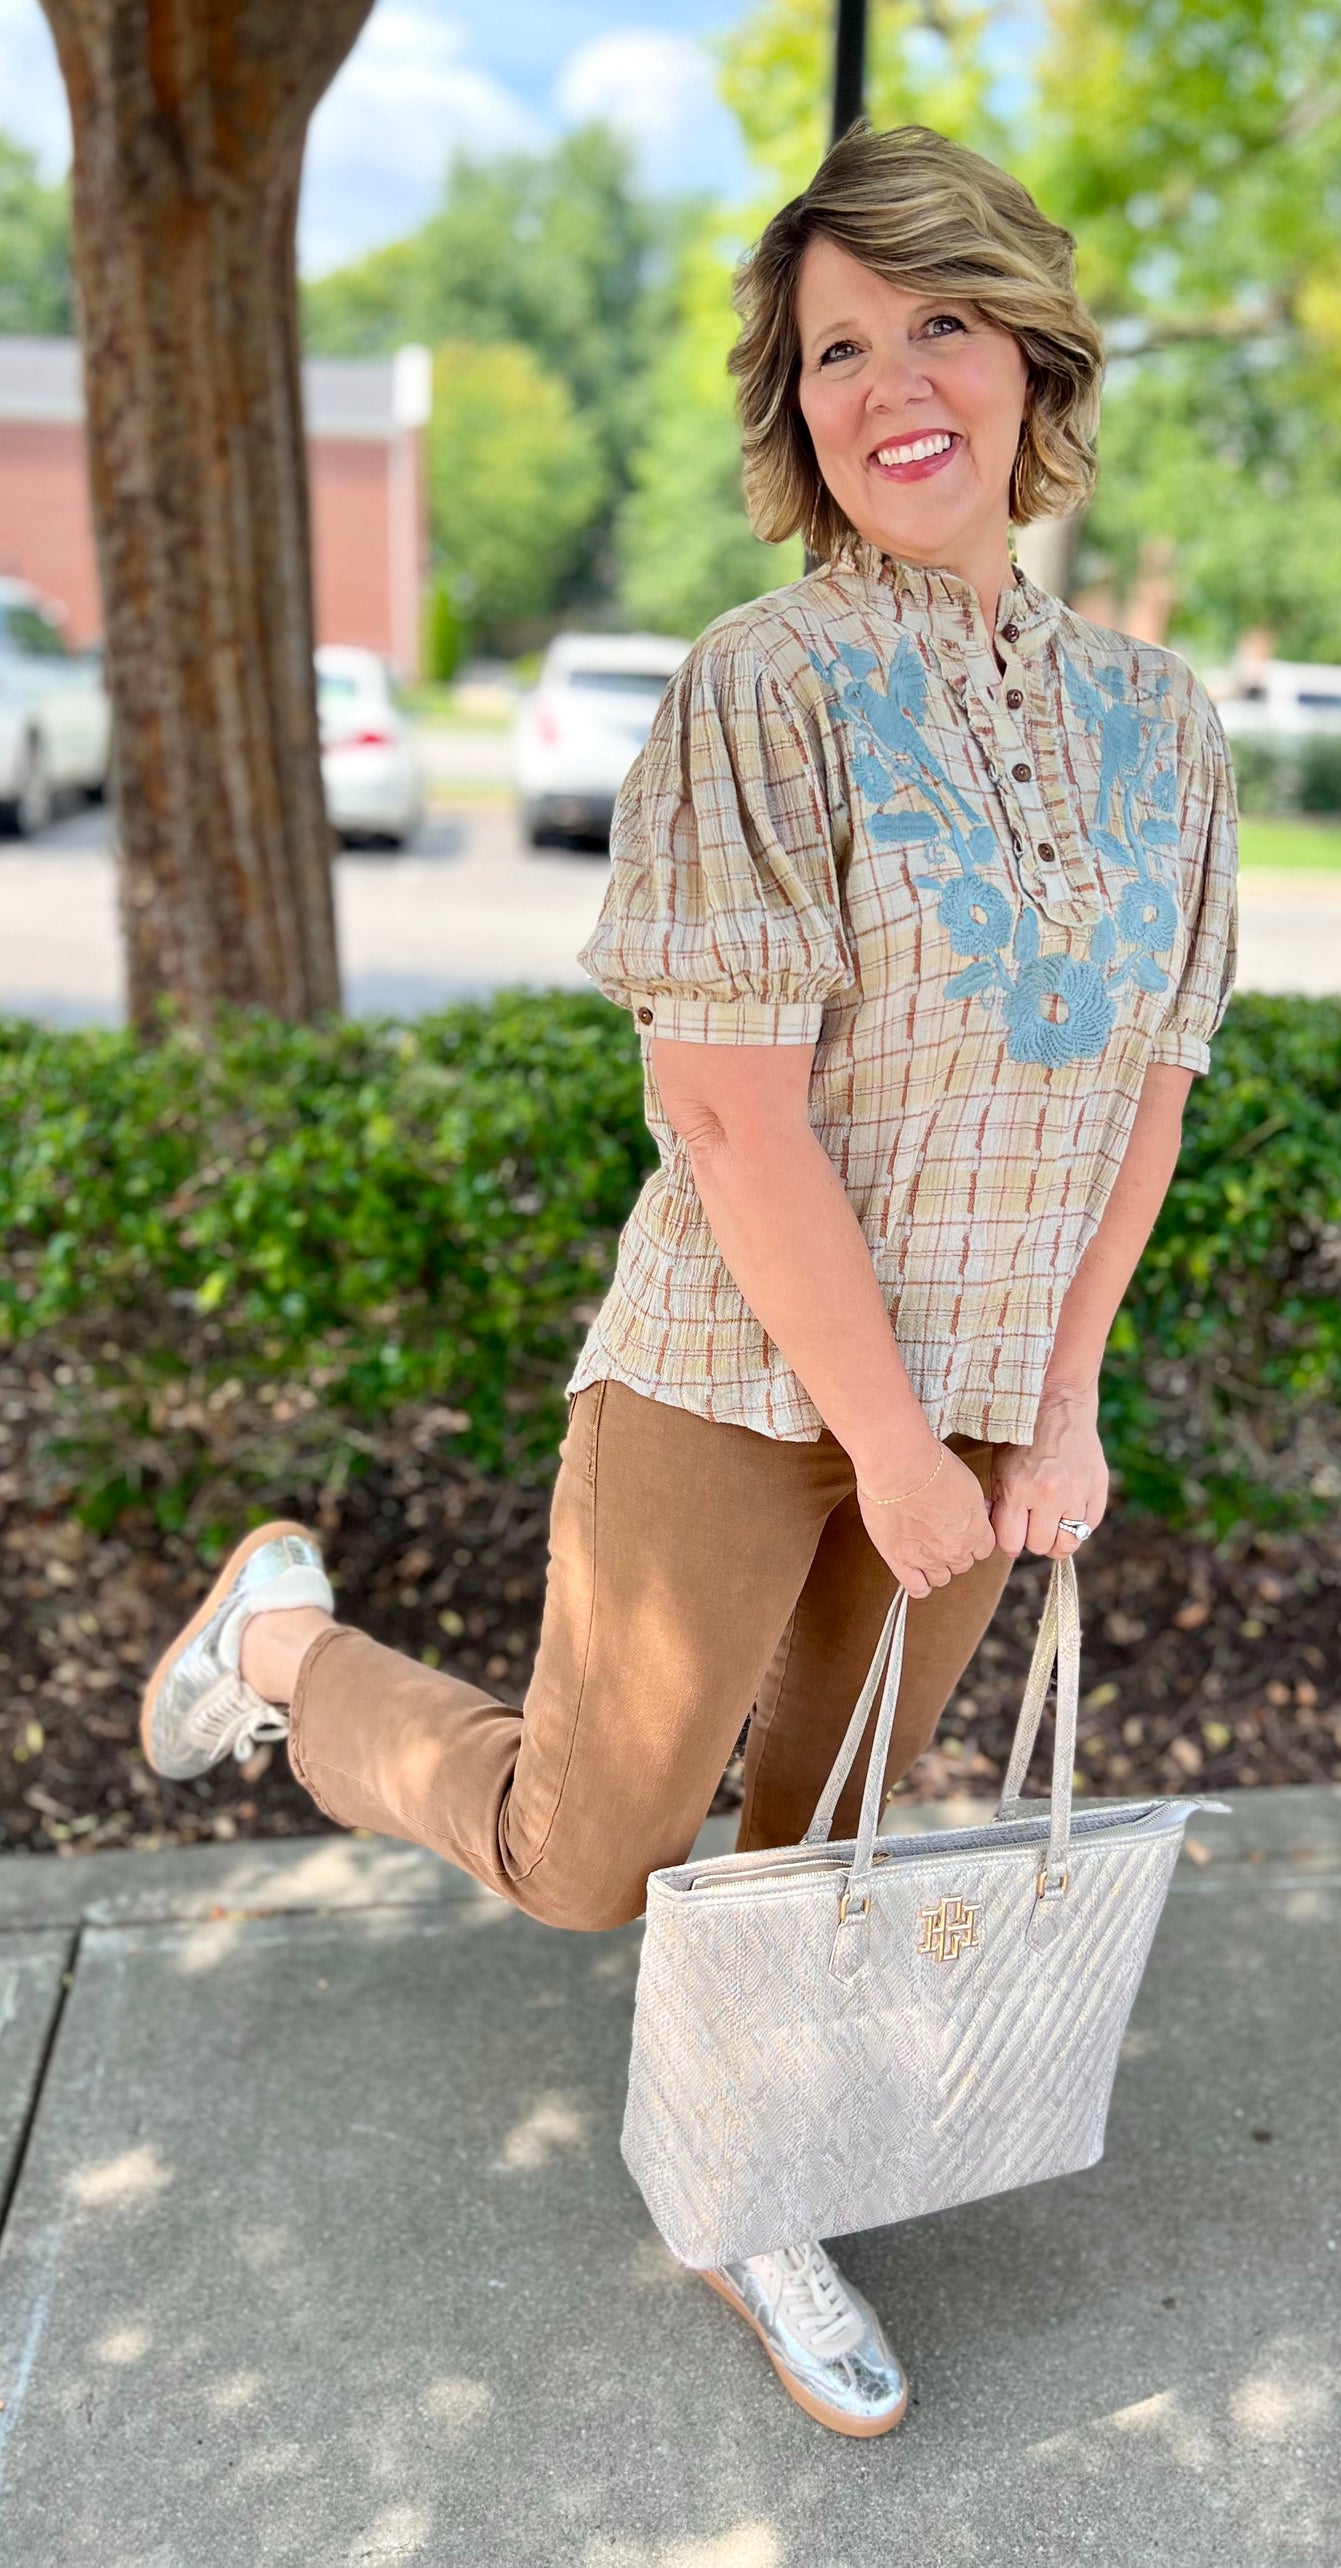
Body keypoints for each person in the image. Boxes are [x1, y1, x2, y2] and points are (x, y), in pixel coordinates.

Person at [139, 122, 1237, 2440]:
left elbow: (1148, 1092)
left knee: (817, 1850)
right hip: (738, 1373)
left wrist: (1057, 1407)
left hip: (964, 1409)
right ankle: (281, 1642)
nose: (892, 380)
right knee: (585, 1859)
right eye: (838, 346)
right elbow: (731, 1115)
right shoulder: (760, 688)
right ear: (798, 409)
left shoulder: (1171, 730)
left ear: (1031, 351)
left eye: (938, 318)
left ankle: (757, 2195)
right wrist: (884, 1443)